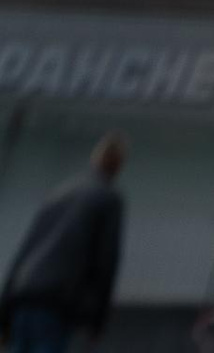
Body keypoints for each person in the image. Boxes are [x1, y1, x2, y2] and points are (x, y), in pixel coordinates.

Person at [2, 136, 126, 353]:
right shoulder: (108, 199)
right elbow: (106, 261)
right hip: (57, 299)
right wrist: (97, 320)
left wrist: (4, 309)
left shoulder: (59, 194)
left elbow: (25, 250)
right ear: (119, 166)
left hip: (23, 294)